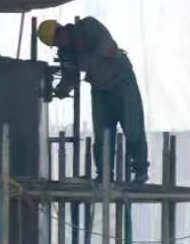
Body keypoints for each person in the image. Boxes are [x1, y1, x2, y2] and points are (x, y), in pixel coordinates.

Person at [37, 17, 148, 185]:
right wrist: (57, 90)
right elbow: (70, 80)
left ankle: (140, 171)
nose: (59, 44)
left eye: (57, 40)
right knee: (103, 136)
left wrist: (84, 61)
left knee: (133, 130)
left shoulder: (89, 27)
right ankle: (104, 175)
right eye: (56, 44)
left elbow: (108, 49)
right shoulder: (66, 53)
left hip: (122, 83)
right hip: (100, 90)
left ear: (62, 29)